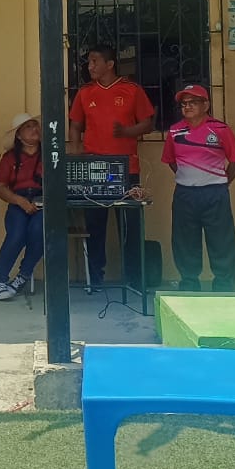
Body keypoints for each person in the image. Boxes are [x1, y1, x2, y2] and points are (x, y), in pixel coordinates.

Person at [67, 44, 155, 293]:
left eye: (95, 61)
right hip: (95, 167)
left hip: (126, 167)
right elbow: (75, 125)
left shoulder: (131, 90)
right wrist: (76, 149)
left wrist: (127, 131)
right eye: (88, 62)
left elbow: (148, 123)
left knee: (129, 226)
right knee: (95, 225)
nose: (90, 66)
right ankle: (96, 278)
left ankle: (134, 279)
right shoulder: (85, 92)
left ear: (110, 64)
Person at [161, 84, 235, 292]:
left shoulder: (221, 129)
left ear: (206, 105)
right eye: (183, 103)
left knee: (221, 240)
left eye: (193, 102)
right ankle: (189, 283)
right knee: (184, 241)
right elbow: (171, 161)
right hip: (185, 193)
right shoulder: (175, 131)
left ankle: (224, 285)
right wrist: (189, 177)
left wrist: (222, 181)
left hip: (215, 193)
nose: (187, 107)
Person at [0, 113, 44, 302]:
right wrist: (20, 201)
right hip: (18, 201)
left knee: (40, 231)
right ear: (19, 136)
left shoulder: (49, 154)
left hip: (43, 202)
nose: (34, 129)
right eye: (28, 127)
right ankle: (0, 281)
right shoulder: (9, 158)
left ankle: (22, 276)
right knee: (16, 234)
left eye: (35, 125)